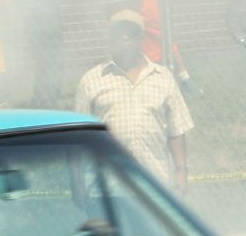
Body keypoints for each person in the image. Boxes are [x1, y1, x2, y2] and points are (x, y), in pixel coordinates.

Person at [74, 10, 194, 190]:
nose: (125, 37)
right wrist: (79, 182)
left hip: (154, 184)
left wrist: (181, 171)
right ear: (110, 38)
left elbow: (176, 129)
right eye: (119, 32)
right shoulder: (91, 80)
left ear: (141, 37)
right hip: (106, 187)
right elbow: (80, 136)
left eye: (131, 32)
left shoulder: (163, 78)